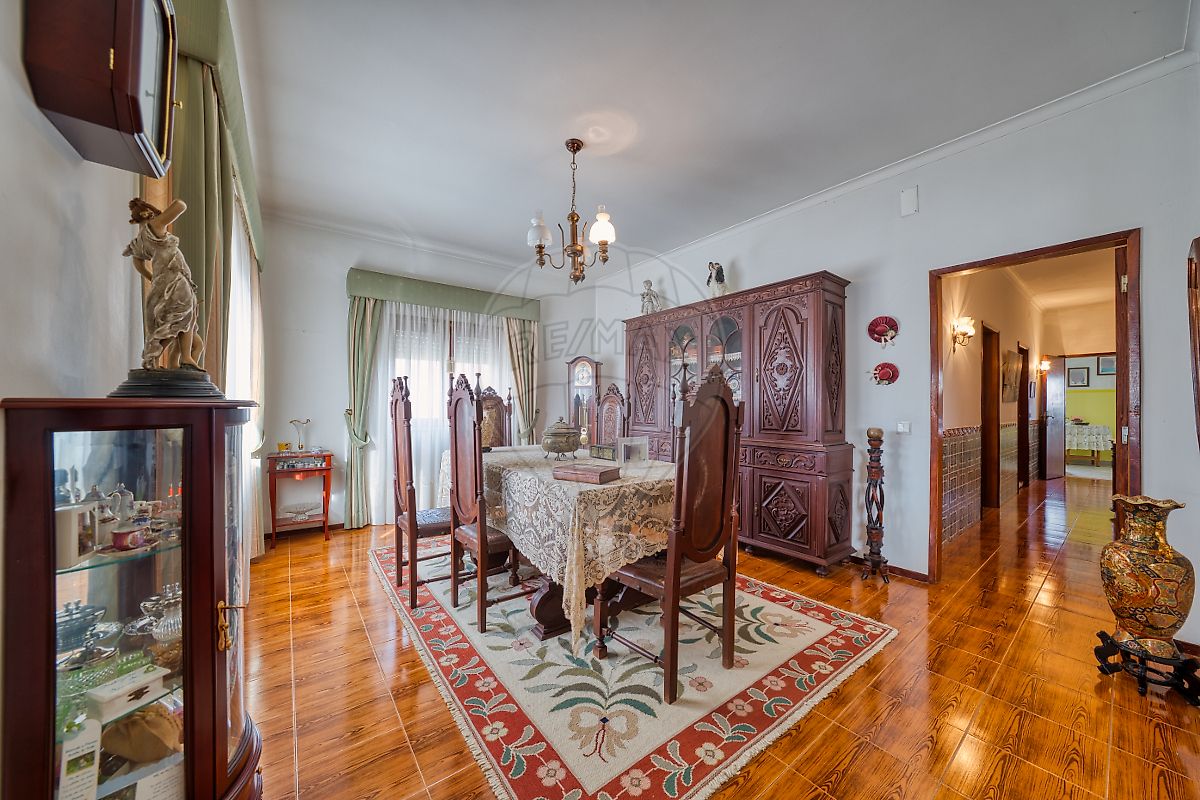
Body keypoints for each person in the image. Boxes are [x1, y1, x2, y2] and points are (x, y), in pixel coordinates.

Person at [124, 198, 204, 370]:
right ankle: (168, 357)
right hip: (175, 280)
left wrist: (152, 277)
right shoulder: (155, 226)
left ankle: (173, 358)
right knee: (181, 317)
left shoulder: (140, 239)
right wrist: (162, 215)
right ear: (148, 214)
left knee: (181, 318)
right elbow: (181, 205)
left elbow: (137, 261)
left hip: (166, 280)